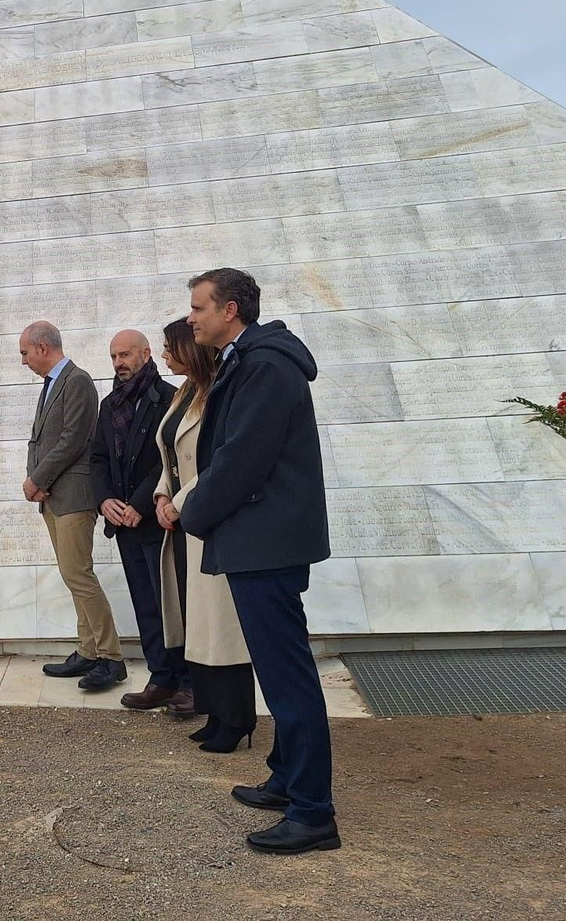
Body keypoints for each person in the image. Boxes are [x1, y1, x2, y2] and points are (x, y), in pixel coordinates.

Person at [180, 268, 339, 855]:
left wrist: (193, 514)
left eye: (199, 307)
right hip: (259, 539)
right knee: (278, 673)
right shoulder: (251, 360)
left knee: (287, 677)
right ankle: (286, 778)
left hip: (264, 541)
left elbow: (241, 458)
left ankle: (313, 812)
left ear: (232, 310)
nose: (191, 317)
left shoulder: (265, 366)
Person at [153, 316, 256, 751]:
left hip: (206, 518)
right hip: (181, 524)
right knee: (197, 623)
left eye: (169, 347)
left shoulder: (217, 390)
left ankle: (236, 720)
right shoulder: (184, 393)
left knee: (220, 625)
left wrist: (179, 503)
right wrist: (162, 496)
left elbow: (218, 460)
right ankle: (213, 712)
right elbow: (171, 455)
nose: (163, 355)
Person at [21, 321, 121, 691]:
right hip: (53, 496)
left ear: (43, 347)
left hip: (75, 496)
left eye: (24, 352)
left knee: (79, 574)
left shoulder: (77, 380)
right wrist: (36, 481)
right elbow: (38, 440)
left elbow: (73, 440)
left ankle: (111, 658)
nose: (23, 360)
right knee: (71, 575)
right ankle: (89, 651)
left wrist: (37, 480)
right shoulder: (50, 386)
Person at [87, 330, 181, 710]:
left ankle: (188, 681)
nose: (118, 363)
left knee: (171, 603)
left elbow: (169, 458)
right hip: (124, 524)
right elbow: (97, 458)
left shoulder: (170, 399)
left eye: (125, 355)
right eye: (113, 357)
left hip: (157, 520)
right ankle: (162, 679)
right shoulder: (109, 405)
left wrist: (140, 503)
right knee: (145, 603)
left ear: (145, 354)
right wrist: (105, 499)